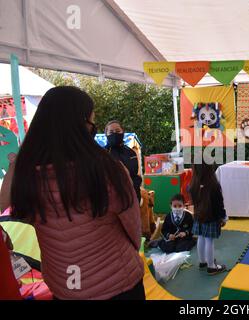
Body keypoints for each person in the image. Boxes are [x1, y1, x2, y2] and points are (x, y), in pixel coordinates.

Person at [0, 86, 144, 300]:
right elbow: (133, 229)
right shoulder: (108, 169)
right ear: (82, 124)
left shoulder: (25, 176)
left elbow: (17, 212)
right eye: (91, 121)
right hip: (118, 283)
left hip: (64, 287)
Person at [189, 162, 228, 275]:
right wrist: (223, 217)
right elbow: (219, 204)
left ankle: (203, 261)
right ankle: (211, 266)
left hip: (198, 216)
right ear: (209, 169)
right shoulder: (214, 185)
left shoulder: (193, 185)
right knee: (209, 240)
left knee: (201, 237)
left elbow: (195, 203)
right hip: (211, 217)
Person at [104, 120, 142, 203]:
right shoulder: (102, 154)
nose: (114, 134)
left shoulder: (131, 152)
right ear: (106, 134)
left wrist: (134, 187)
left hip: (132, 196)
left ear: (123, 132)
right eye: (111, 132)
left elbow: (135, 174)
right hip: (111, 199)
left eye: (118, 131)